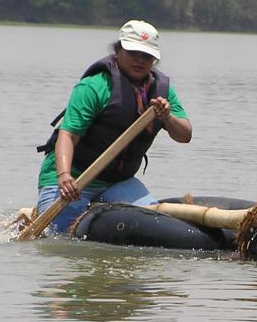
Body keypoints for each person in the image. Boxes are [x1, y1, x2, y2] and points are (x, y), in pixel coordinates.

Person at [34, 20, 193, 234]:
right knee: (62, 236)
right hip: (74, 178)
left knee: (152, 226)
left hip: (118, 181)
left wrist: (167, 116)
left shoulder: (162, 91)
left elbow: (185, 135)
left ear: (154, 59)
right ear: (118, 50)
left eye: (146, 56)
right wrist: (64, 176)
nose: (140, 60)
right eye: (133, 53)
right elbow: (68, 135)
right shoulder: (95, 86)